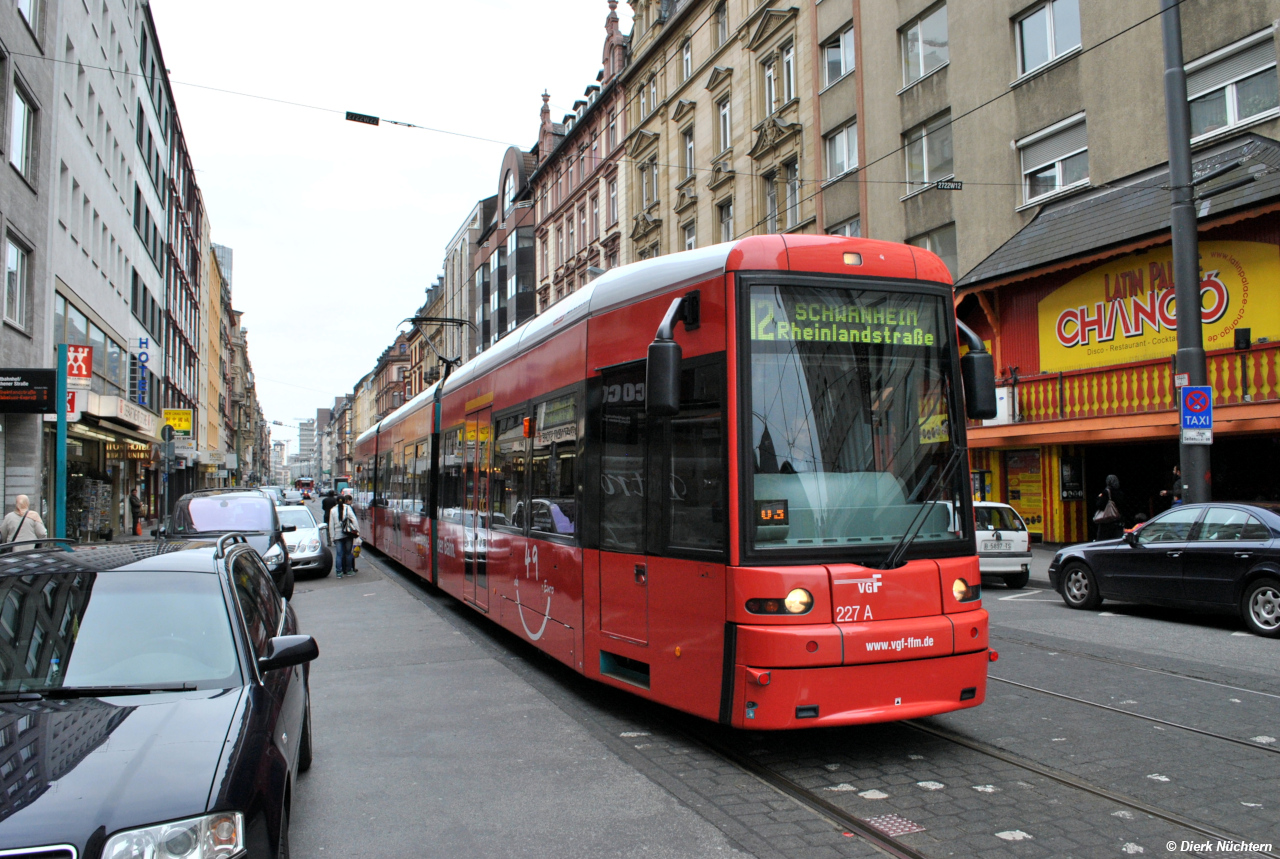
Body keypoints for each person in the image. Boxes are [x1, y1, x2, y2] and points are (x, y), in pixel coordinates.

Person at [329, 490, 358, 577]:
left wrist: (332, 537)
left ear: (336, 502)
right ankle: (349, 571)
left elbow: (331, 525)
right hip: (347, 533)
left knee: (339, 554)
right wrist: (357, 531)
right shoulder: (347, 508)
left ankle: (339, 572)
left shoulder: (333, 510)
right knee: (348, 553)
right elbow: (354, 520)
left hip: (337, 535)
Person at [1095, 474, 1126, 541]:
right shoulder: (1120, 493)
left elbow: (1100, 505)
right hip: (1117, 521)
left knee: (1103, 542)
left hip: (1106, 522)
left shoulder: (1107, 492)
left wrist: (1099, 497)